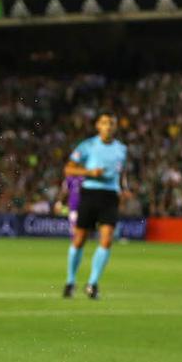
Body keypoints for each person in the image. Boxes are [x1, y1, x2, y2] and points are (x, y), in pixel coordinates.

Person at [63, 112, 128, 299]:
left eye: (112, 123)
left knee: (107, 240)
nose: (108, 126)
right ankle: (70, 281)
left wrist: (124, 188)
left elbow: (120, 172)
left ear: (115, 127)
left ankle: (92, 284)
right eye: (105, 123)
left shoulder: (122, 149)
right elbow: (68, 169)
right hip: (90, 193)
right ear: (98, 126)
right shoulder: (88, 145)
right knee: (80, 239)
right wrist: (90, 172)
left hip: (110, 196)